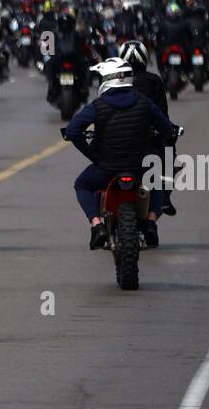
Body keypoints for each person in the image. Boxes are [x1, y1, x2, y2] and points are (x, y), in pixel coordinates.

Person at [61, 56, 179, 251]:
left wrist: (93, 155)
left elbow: (73, 131)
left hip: (107, 168)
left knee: (81, 185)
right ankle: (150, 222)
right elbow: (167, 129)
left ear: (108, 79)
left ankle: (97, 225)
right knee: (157, 181)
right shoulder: (144, 102)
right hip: (139, 167)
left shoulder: (98, 105)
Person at [119, 39, 176, 216]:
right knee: (169, 152)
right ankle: (165, 198)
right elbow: (162, 115)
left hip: (118, 139)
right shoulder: (154, 81)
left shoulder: (115, 81)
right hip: (148, 138)